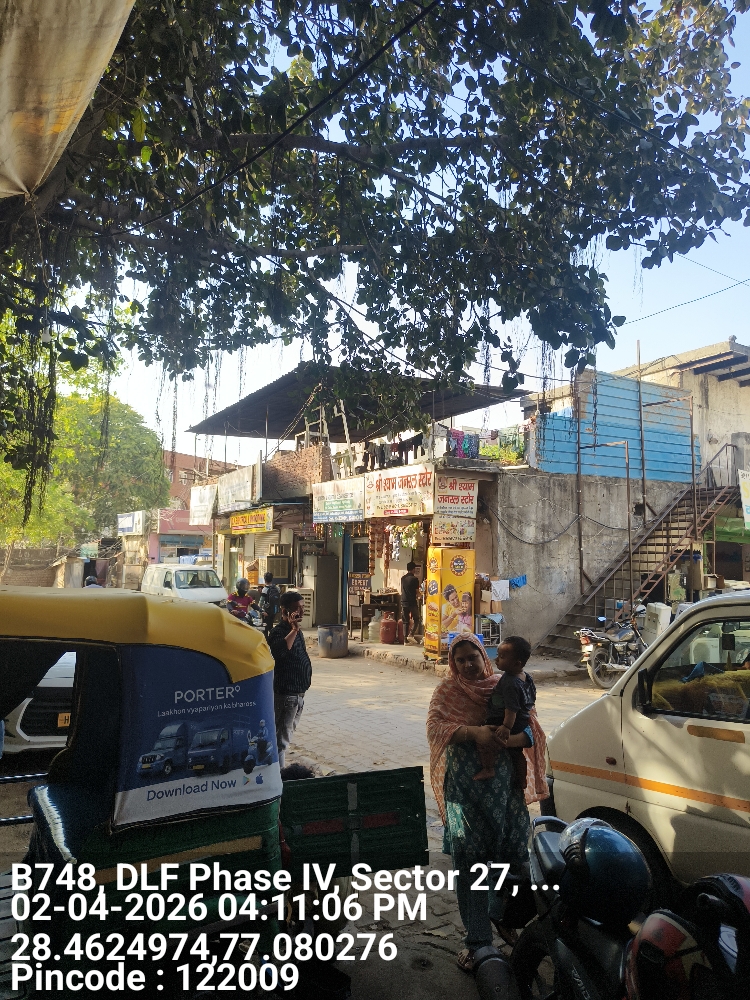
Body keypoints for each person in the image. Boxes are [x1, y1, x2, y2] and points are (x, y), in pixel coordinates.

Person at [426, 633, 548, 972]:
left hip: (504, 792)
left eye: (473, 657)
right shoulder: (447, 691)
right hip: (465, 793)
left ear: (484, 657)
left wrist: (507, 739)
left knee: (512, 858)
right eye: (460, 659)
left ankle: (500, 914)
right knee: (470, 864)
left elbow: (532, 732)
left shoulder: (506, 685)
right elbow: (435, 729)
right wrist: (474, 732)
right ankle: (478, 942)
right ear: (453, 663)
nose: (468, 665)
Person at [473, 637, 535, 785]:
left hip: (504, 720)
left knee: (486, 743)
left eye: (501, 657)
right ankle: (522, 780)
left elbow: (511, 708)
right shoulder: (526, 677)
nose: (496, 660)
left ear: (517, 663)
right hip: (522, 720)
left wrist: (506, 727)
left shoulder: (509, 682)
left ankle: (488, 768)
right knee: (517, 753)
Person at [269, 590, 312, 768]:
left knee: (286, 736)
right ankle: (278, 775)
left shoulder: (297, 631)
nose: (301, 611)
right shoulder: (278, 632)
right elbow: (279, 652)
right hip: (286, 694)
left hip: (298, 695)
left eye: (302, 607)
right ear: (284, 611)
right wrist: (294, 629)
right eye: (296, 608)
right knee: (280, 740)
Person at [400, 561, 422, 640]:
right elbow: (417, 592)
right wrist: (421, 596)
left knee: (405, 622)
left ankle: (405, 640)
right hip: (412, 603)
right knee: (417, 619)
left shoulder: (403, 578)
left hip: (403, 602)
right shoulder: (415, 579)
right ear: (413, 569)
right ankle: (411, 634)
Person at [258, 571, 281, 638]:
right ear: (272, 579)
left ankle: (266, 640)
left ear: (265, 579)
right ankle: (272, 639)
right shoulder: (277, 588)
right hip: (274, 610)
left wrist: (259, 609)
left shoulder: (265, 589)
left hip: (266, 611)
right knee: (271, 625)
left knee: (265, 627)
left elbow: (261, 601)